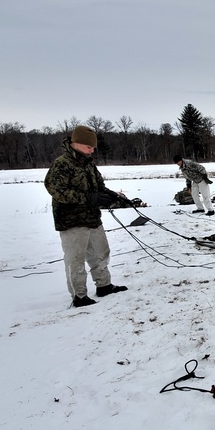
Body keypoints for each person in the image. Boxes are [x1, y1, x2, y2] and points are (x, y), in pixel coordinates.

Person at [44, 125, 128, 308]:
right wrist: (88, 198)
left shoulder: (89, 163)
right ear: (77, 143)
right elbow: (56, 190)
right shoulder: (62, 164)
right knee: (75, 260)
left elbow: (98, 186)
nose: (92, 150)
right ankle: (79, 296)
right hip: (72, 221)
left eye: (93, 147)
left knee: (101, 253)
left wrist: (110, 195)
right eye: (89, 147)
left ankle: (104, 285)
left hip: (92, 219)